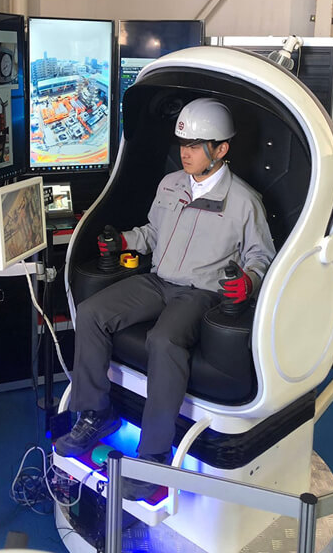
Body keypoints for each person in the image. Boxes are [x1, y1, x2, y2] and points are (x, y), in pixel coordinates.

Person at [55, 98, 276, 499]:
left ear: (221, 149)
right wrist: (124, 240)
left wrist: (249, 281)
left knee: (164, 340)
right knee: (90, 313)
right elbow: (153, 233)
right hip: (157, 281)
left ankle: (154, 458)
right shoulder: (171, 184)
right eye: (182, 144)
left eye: (195, 146)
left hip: (201, 292)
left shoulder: (244, 201)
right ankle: (96, 412)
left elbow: (261, 256)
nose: (184, 152)